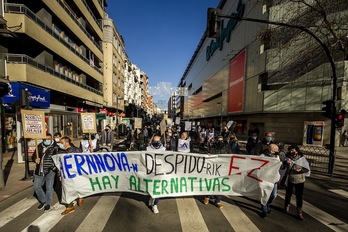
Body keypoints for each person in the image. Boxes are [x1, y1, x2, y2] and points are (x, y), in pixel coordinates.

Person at [32, 133, 59, 212]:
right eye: (45, 139)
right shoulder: (39, 146)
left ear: (51, 139)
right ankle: (44, 200)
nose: (46, 141)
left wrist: (53, 168)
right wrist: (35, 159)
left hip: (50, 171)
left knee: (49, 188)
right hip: (39, 170)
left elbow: (57, 158)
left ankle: (48, 204)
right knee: (36, 187)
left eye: (48, 139)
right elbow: (34, 155)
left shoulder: (55, 147)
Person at [283, 145, 309, 221]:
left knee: (299, 196)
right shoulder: (287, 157)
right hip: (290, 178)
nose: (291, 152)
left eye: (293, 150)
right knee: (288, 194)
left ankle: (299, 212)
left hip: (300, 180)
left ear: (297, 151)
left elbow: (307, 169)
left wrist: (300, 170)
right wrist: (285, 163)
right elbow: (282, 167)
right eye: (290, 150)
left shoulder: (302, 158)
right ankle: (286, 206)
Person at [59, 136, 83, 215]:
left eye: (61, 143)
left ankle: (80, 196)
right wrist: (59, 174)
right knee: (66, 189)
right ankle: (70, 206)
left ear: (66, 142)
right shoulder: (60, 152)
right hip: (65, 174)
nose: (60, 144)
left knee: (77, 186)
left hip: (75, 173)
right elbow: (59, 164)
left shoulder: (76, 150)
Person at [260, 144, 280, 218]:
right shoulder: (263, 156)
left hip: (274, 180)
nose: (277, 152)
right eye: (275, 150)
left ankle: (268, 205)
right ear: (270, 150)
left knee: (273, 195)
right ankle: (264, 210)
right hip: (265, 179)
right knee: (265, 195)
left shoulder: (277, 156)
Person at [147, 134, 166, 214]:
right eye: (155, 141)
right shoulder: (147, 149)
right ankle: (152, 198)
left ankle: (155, 204)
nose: (156, 142)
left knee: (158, 188)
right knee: (151, 187)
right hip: (150, 171)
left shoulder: (164, 149)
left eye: (158, 141)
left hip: (160, 171)